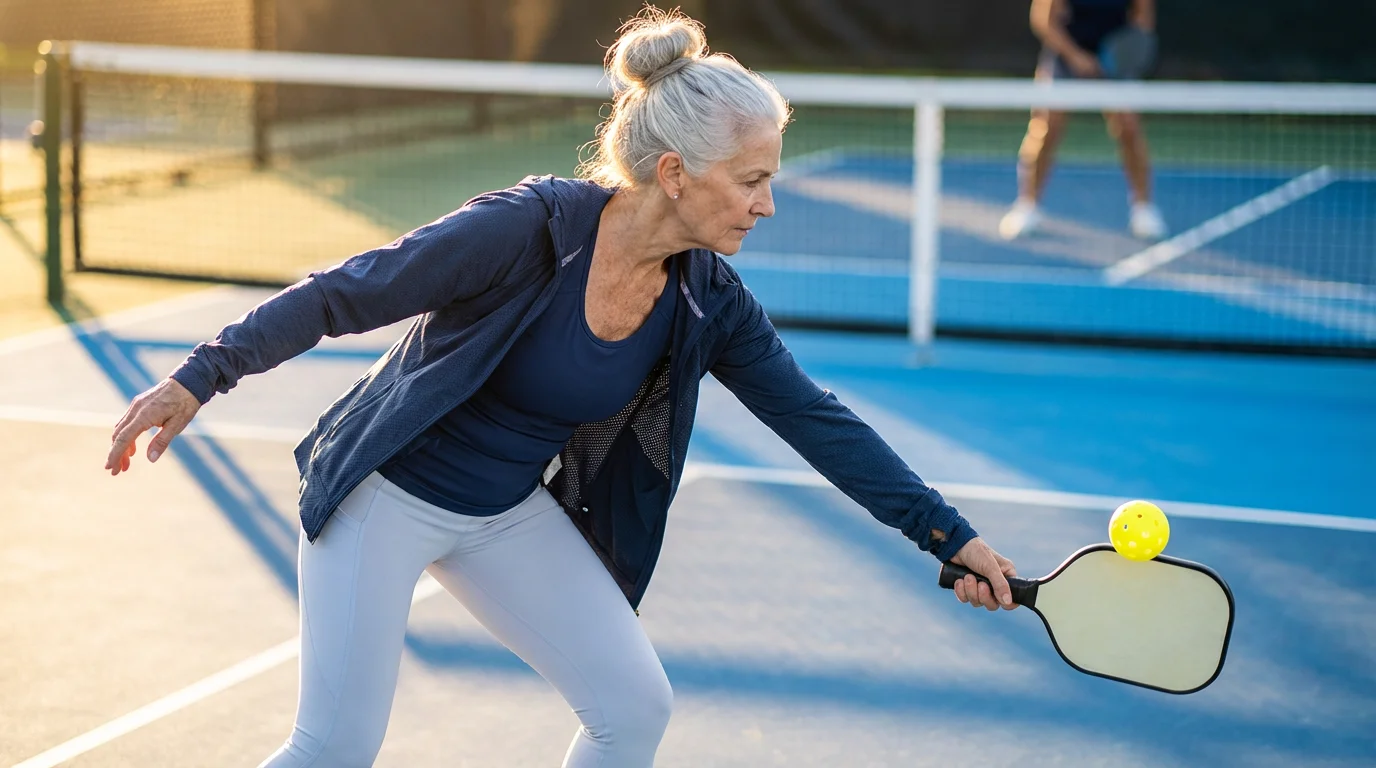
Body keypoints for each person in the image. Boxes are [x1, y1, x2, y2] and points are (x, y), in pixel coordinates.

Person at [104, 8, 1018, 767]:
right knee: (334, 748)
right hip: (388, 494)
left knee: (633, 708)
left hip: (505, 513)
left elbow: (816, 421)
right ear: (675, 174)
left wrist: (948, 534)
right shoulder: (530, 230)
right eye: (752, 179)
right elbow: (353, 288)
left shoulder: (708, 301)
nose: (765, 203)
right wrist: (202, 372)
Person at [999, 0, 1168, 241]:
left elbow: (1143, 20)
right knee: (1047, 127)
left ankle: (1143, 209)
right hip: (1065, 52)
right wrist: (1077, 57)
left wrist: (1117, 56)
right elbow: (1044, 21)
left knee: (1129, 127)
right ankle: (1027, 205)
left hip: (1113, 60)